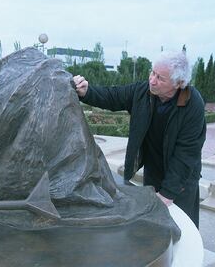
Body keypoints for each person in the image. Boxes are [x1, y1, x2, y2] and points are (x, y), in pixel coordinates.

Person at [74, 52, 206, 228]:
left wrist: (168, 194)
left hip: (181, 179)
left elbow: (186, 153)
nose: (152, 80)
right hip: (154, 170)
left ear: (179, 83)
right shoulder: (142, 91)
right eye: (152, 73)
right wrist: (87, 91)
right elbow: (113, 96)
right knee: (154, 225)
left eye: (160, 78)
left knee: (180, 225)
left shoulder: (192, 104)